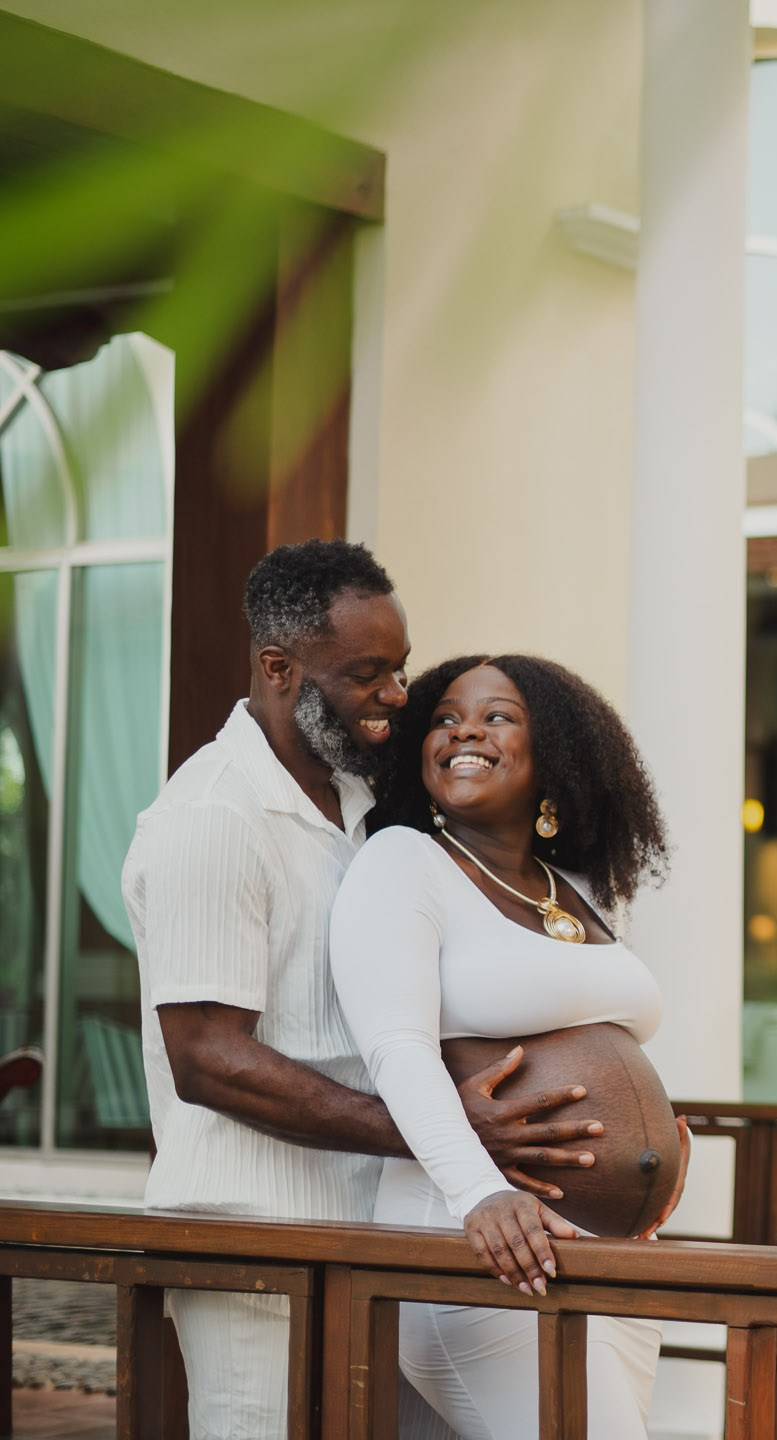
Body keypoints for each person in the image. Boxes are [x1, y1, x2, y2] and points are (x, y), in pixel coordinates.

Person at [122, 542, 604, 1439]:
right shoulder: (213, 818)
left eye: (401, 669)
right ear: (278, 668)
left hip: (378, 1238)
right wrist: (439, 1133)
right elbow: (208, 1058)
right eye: (367, 674)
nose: (396, 696)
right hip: (255, 1245)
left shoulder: (363, 800)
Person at [331, 653, 683, 1438]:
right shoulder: (404, 862)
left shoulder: (576, 889)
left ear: (554, 750)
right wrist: (478, 1195)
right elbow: (397, 1048)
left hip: (611, 1250)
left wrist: (660, 1148)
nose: (465, 732)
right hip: (485, 1242)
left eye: (498, 717)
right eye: (447, 717)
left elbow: (603, 1037)